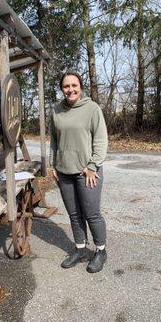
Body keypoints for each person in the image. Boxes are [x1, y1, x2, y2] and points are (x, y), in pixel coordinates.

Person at [49, 70, 108, 273]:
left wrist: (93, 166)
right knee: (74, 214)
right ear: (62, 89)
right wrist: (53, 165)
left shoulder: (92, 109)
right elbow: (54, 140)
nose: (70, 89)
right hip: (64, 171)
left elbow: (101, 140)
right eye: (66, 86)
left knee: (91, 214)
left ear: (80, 87)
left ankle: (100, 250)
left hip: (86, 172)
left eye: (74, 85)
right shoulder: (56, 110)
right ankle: (80, 249)